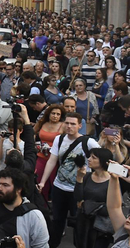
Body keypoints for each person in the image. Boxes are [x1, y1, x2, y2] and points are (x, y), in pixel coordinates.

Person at [38, 112, 101, 248]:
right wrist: (43, 182)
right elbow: (52, 161)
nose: (69, 126)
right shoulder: (59, 139)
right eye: (66, 123)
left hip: (78, 190)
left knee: (79, 224)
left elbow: (101, 159)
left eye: (73, 124)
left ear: (79, 126)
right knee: (57, 221)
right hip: (59, 187)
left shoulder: (88, 142)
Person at [73, 148, 113, 248]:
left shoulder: (112, 181)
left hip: (100, 227)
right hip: (84, 224)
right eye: (90, 156)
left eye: (93, 158)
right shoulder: (87, 176)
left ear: (103, 161)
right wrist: (79, 178)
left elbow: (109, 209)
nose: (89, 159)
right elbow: (78, 198)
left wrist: (86, 204)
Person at [34, 104, 64, 200]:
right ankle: (42, 204)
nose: (55, 116)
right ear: (49, 114)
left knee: (53, 183)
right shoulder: (42, 122)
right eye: (53, 113)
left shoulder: (63, 126)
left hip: (55, 159)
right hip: (41, 157)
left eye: (58, 114)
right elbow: (32, 132)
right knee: (39, 181)